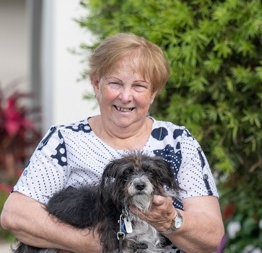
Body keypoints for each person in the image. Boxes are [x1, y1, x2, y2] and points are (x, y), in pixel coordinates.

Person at [0, 33, 224, 253]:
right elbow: (15, 215)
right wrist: (94, 244)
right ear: (96, 84)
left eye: (139, 86)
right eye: (115, 83)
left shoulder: (178, 142)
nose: (126, 97)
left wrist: (171, 221)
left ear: (153, 93)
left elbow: (211, 237)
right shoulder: (64, 140)